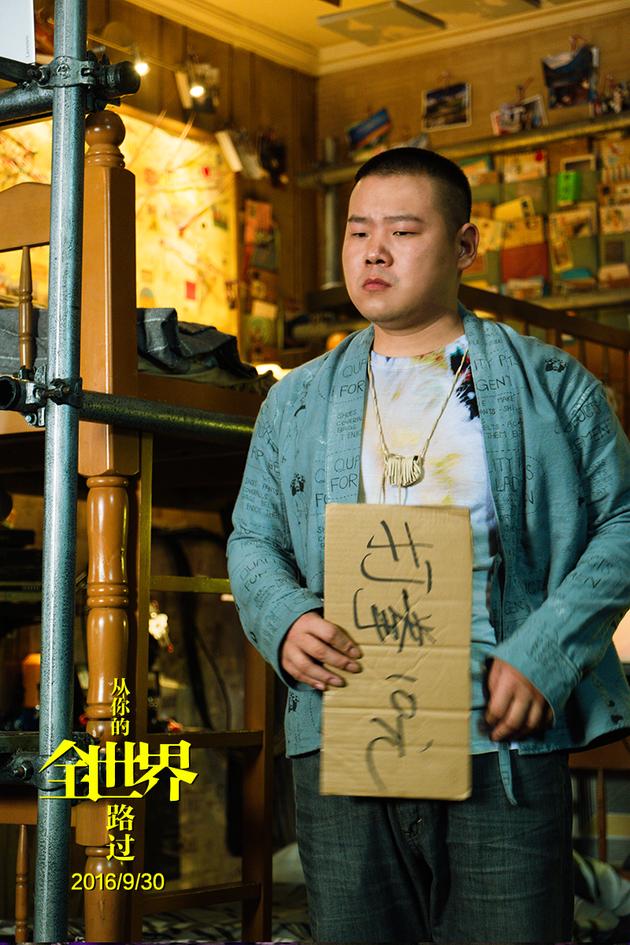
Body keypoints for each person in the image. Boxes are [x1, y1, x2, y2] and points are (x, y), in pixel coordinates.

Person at [227, 147, 630, 944]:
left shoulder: (554, 385)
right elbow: (251, 537)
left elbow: (622, 521)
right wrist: (285, 619)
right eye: (358, 232)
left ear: (465, 246)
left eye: (403, 231)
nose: (373, 252)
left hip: (500, 736)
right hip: (346, 729)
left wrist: (546, 652)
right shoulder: (296, 400)